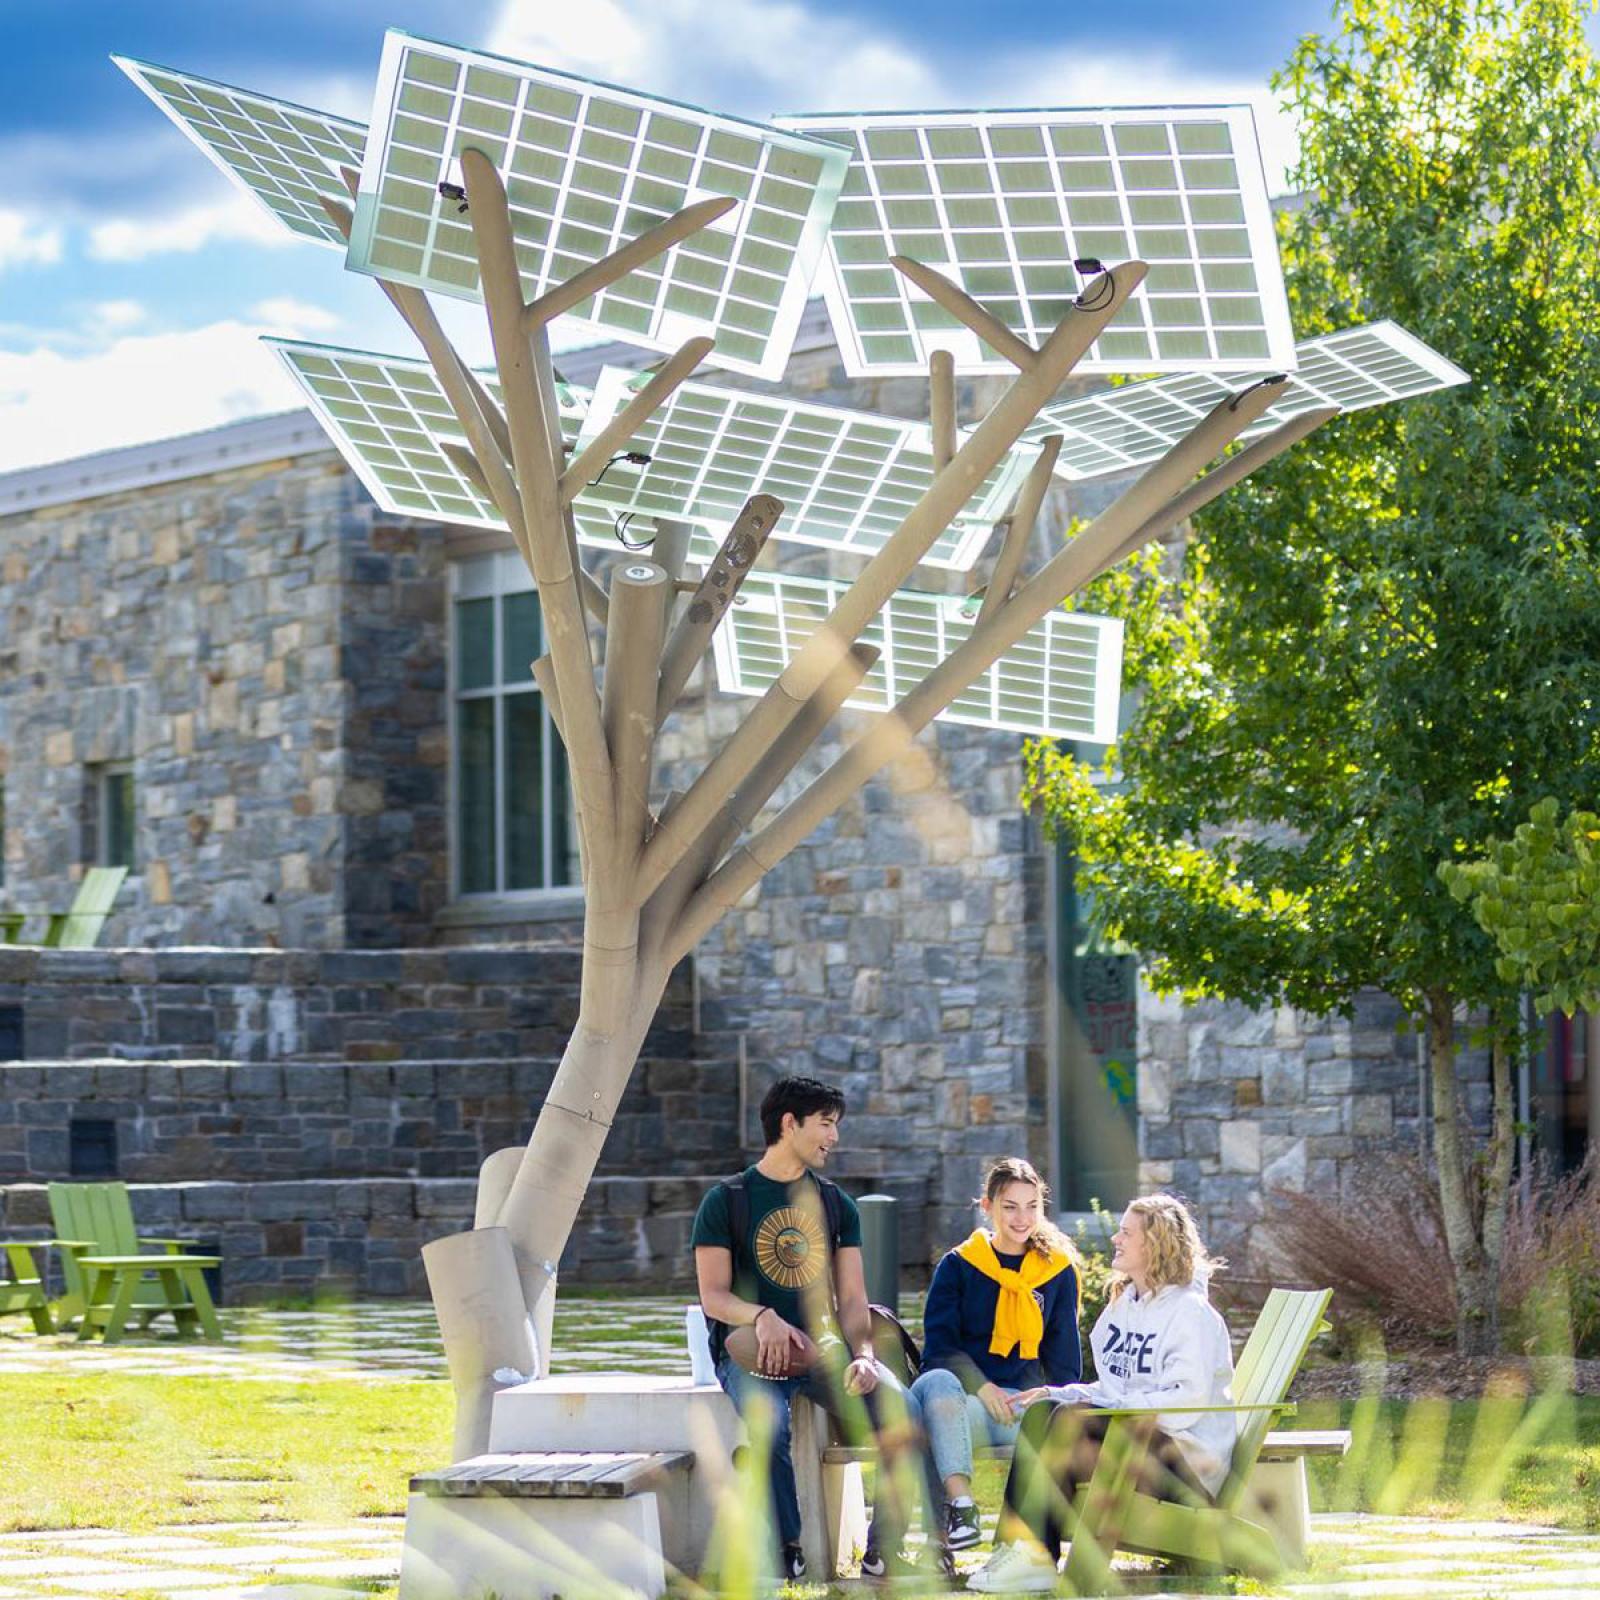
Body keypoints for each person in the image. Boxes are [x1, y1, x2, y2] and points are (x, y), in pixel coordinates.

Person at [692, 1075, 925, 1583]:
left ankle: (882, 1551)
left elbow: (854, 1298)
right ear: (788, 1123)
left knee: (902, 1409)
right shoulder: (725, 1200)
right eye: (826, 1124)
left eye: (836, 1125)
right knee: (767, 1425)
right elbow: (713, 1296)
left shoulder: (837, 1204)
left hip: (824, 1354)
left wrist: (862, 1354)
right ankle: (785, 1550)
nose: (834, 1137)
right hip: (748, 1353)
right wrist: (761, 1316)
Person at [968, 1194, 1235, 1594]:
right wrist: (1060, 1391)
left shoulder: (1190, 1313)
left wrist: (1102, 1410)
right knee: (1047, 1411)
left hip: (1185, 1467)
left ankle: (1037, 1557)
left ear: (1155, 1242)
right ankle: (1015, 1547)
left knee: (1072, 1420)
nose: (1115, 1238)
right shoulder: (1126, 1306)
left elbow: (1183, 1407)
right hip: (1134, 1444)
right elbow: (1115, 1390)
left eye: (1126, 1232)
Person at [911, 1158, 1082, 1557]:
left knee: (1051, 1418)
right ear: (986, 1207)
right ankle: (961, 1511)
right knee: (935, 1391)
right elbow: (938, 1349)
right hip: (960, 1404)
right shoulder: (958, 1266)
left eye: (1031, 1206)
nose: (1022, 1218)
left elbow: (1064, 1360)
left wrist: (1045, 1399)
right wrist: (982, 1386)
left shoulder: (1056, 1272)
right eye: (1010, 1206)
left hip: (1017, 1411)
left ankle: (1020, 1547)